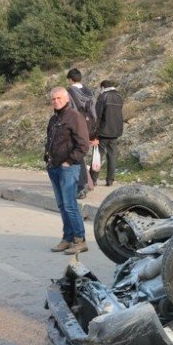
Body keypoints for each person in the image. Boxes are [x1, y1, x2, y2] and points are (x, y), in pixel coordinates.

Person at [44, 87, 91, 254]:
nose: (56, 101)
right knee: (62, 205)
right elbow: (50, 141)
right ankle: (68, 238)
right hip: (54, 168)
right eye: (53, 99)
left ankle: (80, 240)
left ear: (66, 99)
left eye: (59, 98)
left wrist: (69, 161)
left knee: (70, 205)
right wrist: (47, 160)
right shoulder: (54, 119)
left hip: (68, 168)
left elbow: (84, 145)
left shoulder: (74, 117)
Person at [65, 68, 97, 197]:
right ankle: (86, 183)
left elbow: (67, 111)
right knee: (81, 154)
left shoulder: (69, 92)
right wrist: (94, 132)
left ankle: (81, 186)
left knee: (76, 155)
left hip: (75, 127)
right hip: (88, 126)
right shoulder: (89, 91)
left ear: (70, 79)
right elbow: (94, 112)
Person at [94, 79, 124, 187]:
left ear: (102, 87)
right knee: (112, 156)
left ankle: (93, 180)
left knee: (97, 156)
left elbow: (98, 117)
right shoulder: (119, 97)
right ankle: (110, 180)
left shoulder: (103, 97)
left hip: (103, 132)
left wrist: (94, 133)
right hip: (115, 131)